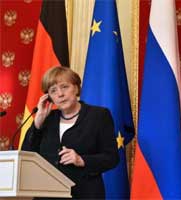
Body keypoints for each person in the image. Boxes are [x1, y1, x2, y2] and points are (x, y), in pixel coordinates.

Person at [22, 66, 119, 199]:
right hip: (45, 195)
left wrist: (81, 160)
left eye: (64, 87)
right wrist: (37, 122)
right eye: (53, 90)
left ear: (76, 88)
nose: (60, 94)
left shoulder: (99, 116)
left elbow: (112, 158)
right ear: (48, 97)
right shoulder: (46, 119)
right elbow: (27, 156)